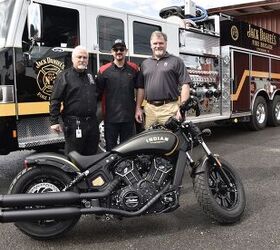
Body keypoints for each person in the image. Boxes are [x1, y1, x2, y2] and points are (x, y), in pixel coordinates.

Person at [135, 31, 191, 128]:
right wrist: (138, 108)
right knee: (150, 140)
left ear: (166, 43)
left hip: (169, 109)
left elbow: (185, 85)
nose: (158, 46)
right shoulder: (145, 64)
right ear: (151, 45)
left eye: (161, 43)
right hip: (150, 110)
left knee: (172, 140)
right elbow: (141, 88)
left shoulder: (176, 61)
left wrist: (182, 109)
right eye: (155, 43)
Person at [50, 45, 99, 155]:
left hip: (92, 123)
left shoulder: (90, 75)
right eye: (79, 57)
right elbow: (55, 99)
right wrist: (54, 121)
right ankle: (72, 174)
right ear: (73, 59)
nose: (82, 60)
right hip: (73, 123)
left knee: (91, 155)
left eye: (85, 57)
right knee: (74, 157)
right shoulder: (64, 76)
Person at [96, 39, 139, 151]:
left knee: (128, 149)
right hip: (110, 119)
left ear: (126, 51)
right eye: (116, 49)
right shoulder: (103, 70)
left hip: (128, 118)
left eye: (121, 49)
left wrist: (138, 108)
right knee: (111, 150)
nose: (119, 52)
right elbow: (97, 93)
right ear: (112, 52)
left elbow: (140, 88)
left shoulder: (134, 68)